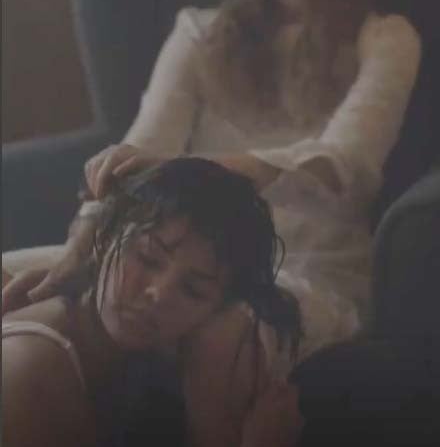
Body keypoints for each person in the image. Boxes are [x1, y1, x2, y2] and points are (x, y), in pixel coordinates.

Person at [3, 0, 421, 367]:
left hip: (303, 265)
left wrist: (194, 170)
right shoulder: (199, 31)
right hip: (170, 254)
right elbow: (142, 148)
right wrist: (81, 244)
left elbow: (346, 162)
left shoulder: (386, 39)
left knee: (220, 338)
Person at [2, 157, 303, 447]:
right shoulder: (32, 369)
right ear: (105, 239)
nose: (158, 293)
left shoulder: (149, 358)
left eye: (193, 291)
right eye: (147, 259)